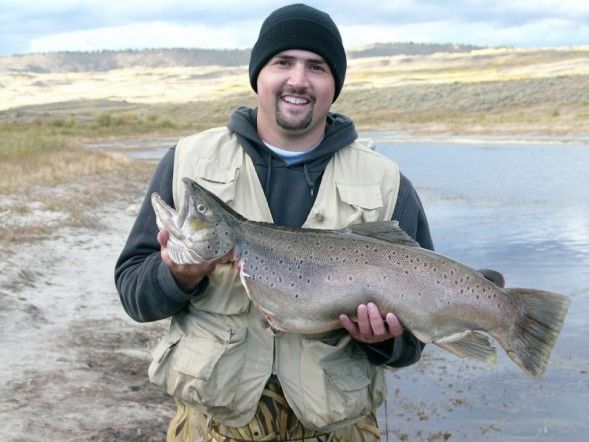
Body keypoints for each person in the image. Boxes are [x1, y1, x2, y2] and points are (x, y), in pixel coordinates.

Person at [115, 3, 433, 441]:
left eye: (316, 67)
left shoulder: (387, 183)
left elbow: (412, 344)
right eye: (283, 62)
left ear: (334, 84)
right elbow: (134, 296)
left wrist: (382, 340)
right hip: (210, 428)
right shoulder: (188, 162)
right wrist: (177, 275)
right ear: (258, 75)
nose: (298, 80)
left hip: (337, 429)